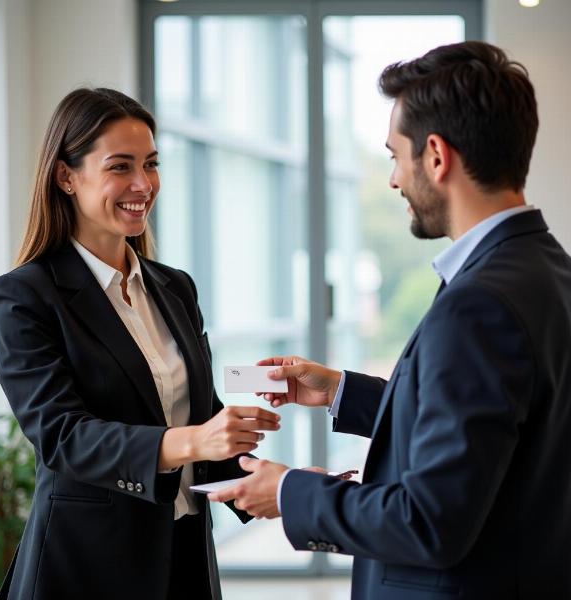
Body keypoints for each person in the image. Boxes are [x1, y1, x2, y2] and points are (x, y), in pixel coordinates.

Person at [209, 41, 571, 599]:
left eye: (393, 156)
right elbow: (487, 437)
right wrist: (337, 391)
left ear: (435, 155)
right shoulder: (548, 270)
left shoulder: (479, 304)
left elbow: (429, 521)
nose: (393, 180)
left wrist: (289, 492)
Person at [0, 87, 281, 600]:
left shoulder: (174, 288)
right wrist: (193, 440)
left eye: (151, 163)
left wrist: (290, 487)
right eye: (120, 166)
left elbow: (202, 420)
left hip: (185, 556)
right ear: (66, 177)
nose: (143, 184)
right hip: (85, 568)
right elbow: (63, 437)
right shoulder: (24, 296)